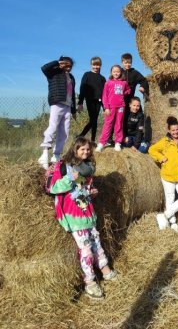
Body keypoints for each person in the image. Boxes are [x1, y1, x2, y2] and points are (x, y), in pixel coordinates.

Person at [49, 137, 116, 299]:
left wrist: (92, 192)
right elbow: (52, 187)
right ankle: (90, 282)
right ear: (75, 150)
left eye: (87, 149)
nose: (85, 152)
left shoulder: (88, 168)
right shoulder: (64, 166)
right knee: (86, 249)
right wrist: (69, 178)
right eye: (82, 149)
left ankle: (105, 269)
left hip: (87, 212)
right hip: (73, 214)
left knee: (96, 241)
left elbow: (84, 188)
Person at [38, 57, 76, 169]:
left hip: (68, 106)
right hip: (57, 103)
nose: (68, 67)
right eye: (66, 65)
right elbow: (44, 68)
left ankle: (56, 154)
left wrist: (73, 110)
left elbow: (72, 94)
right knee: (53, 127)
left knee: (64, 131)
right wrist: (57, 63)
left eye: (70, 66)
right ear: (61, 64)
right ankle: (44, 153)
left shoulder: (71, 77)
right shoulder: (53, 72)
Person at [96, 65, 131, 152]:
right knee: (108, 124)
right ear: (111, 72)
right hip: (110, 107)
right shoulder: (108, 83)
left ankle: (118, 143)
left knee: (119, 124)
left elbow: (128, 90)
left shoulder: (124, 83)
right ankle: (101, 143)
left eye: (118, 71)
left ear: (121, 72)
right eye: (114, 71)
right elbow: (104, 96)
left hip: (121, 107)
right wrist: (106, 107)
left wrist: (124, 93)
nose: (116, 73)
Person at [77, 56, 106, 143]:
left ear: (100, 65)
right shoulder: (87, 75)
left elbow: (105, 93)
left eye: (98, 65)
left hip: (99, 101)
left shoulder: (102, 78)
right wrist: (80, 102)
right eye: (94, 65)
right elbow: (82, 88)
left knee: (94, 120)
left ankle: (92, 140)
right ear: (91, 65)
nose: (96, 67)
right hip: (90, 100)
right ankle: (81, 136)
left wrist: (105, 107)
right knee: (93, 120)